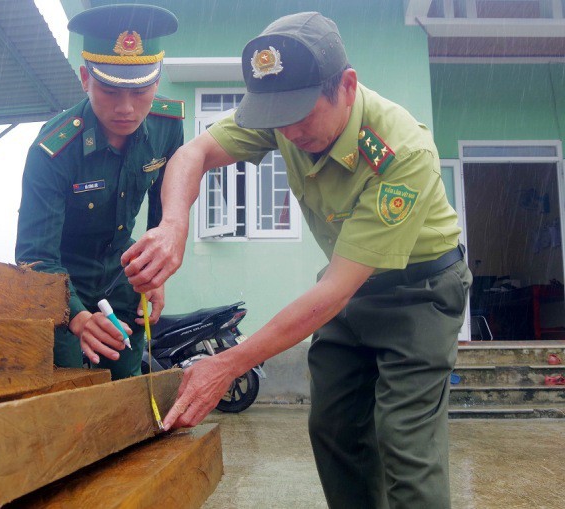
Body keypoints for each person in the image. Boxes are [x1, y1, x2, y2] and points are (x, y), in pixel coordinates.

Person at [122, 11, 471, 509]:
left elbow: (334, 292)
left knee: (405, 444)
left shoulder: (400, 152)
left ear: (347, 87)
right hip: (347, 287)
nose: (288, 129)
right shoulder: (285, 119)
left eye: (301, 114)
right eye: (276, 117)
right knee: (332, 428)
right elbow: (192, 154)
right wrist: (173, 225)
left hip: (420, 293)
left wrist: (229, 363)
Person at [15, 4, 183, 380]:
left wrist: (156, 278)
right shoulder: (53, 150)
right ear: (85, 79)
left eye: (141, 91)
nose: (126, 108)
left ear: (156, 82)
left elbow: (164, 217)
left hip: (124, 284)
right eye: (109, 90)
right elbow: (34, 257)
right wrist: (77, 317)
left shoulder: (168, 128)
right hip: (59, 288)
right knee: (70, 394)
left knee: (125, 392)